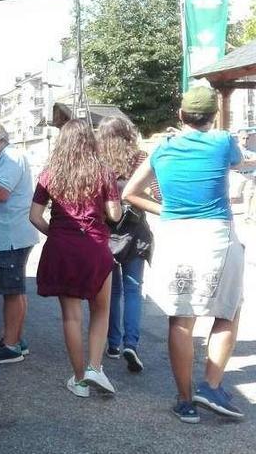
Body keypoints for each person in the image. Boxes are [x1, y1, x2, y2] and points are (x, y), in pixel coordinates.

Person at [123, 86, 256, 423]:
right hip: (215, 236)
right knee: (227, 311)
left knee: (181, 321)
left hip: (175, 237)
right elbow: (242, 161)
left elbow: (129, 193)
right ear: (214, 116)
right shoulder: (224, 142)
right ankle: (210, 385)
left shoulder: (161, 148)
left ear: (181, 115)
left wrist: (165, 209)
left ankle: (185, 402)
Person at [29, 119, 122, 398]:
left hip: (61, 249)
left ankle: (80, 380)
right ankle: (95, 368)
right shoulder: (104, 173)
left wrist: (56, 233)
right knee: (100, 310)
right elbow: (115, 215)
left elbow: (34, 216)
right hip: (95, 248)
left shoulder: (49, 174)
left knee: (71, 317)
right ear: (90, 141)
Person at [0, 123, 40, 365]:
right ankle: (14, 339)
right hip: (10, 236)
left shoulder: (10, 158)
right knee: (16, 290)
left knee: (12, 292)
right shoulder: (8, 157)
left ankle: (11, 345)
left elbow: (1, 193)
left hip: (10, 237)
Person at [96, 116, 153, 373]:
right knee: (133, 289)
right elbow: (157, 192)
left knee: (113, 292)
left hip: (106, 234)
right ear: (129, 133)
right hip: (135, 233)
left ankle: (113, 344)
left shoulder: (97, 161)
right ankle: (132, 343)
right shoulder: (140, 157)